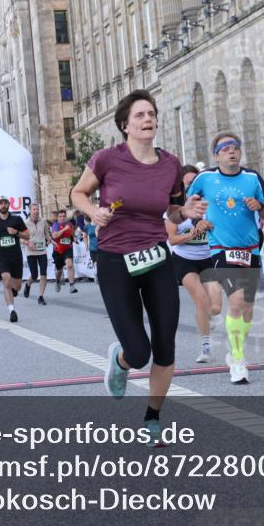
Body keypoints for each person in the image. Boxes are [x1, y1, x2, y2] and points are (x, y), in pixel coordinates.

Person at [71, 89, 206, 445]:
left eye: (151, 114)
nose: (148, 120)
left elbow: (174, 209)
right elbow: (78, 193)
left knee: (165, 345)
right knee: (140, 351)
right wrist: (92, 211)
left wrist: (185, 213)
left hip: (157, 257)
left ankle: (153, 417)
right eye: (140, 116)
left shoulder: (170, 164)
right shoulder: (106, 159)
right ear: (125, 125)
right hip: (116, 260)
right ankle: (122, 360)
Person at [187, 132, 264, 384]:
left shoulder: (252, 178)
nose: (232, 152)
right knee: (235, 302)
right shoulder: (205, 178)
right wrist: (197, 219)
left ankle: (235, 350)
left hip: (251, 248)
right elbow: (188, 205)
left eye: (235, 147)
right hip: (221, 247)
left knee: (247, 308)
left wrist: (259, 206)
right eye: (225, 149)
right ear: (216, 155)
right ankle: (238, 359)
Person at [166, 164, 223, 363]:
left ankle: (208, 318)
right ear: (182, 186)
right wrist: (191, 234)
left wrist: (210, 225)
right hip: (184, 260)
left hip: (208, 258)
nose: (192, 185)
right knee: (201, 299)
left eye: (194, 181)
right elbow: (172, 239)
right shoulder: (175, 209)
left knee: (215, 307)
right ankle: (205, 347)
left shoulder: (210, 204)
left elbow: (221, 227)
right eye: (188, 182)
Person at [0, 197, 29, 322]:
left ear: (9, 205)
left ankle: (13, 291)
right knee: (6, 281)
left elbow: (27, 235)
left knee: (17, 286)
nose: (3, 205)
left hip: (16, 256)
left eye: (5, 203)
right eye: (1, 203)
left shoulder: (16, 219)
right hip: (1, 256)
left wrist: (16, 232)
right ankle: (12, 311)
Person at [22, 203, 51, 305]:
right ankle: (28, 285)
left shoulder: (43, 221)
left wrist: (49, 240)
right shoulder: (25, 223)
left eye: (37, 209)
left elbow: (47, 234)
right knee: (34, 275)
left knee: (43, 274)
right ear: (30, 211)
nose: (36, 211)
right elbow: (21, 238)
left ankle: (41, 296)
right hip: (31, 252)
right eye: (34, 209)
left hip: (42, 251)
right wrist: (27, 243)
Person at [51, 209, 78, 293]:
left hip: (68, 249)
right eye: (60, 216)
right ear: (58, 218)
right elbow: (55, 236)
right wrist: (64, 229)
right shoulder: (55, 225)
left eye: (64, 216)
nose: (62, 218)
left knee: (70, 265)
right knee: (59, 270)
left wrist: (74, 238)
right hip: (58, 250)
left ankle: (72, 285)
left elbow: (72, 234)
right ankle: (57, 281)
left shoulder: (70, 224)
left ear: (66, 217)